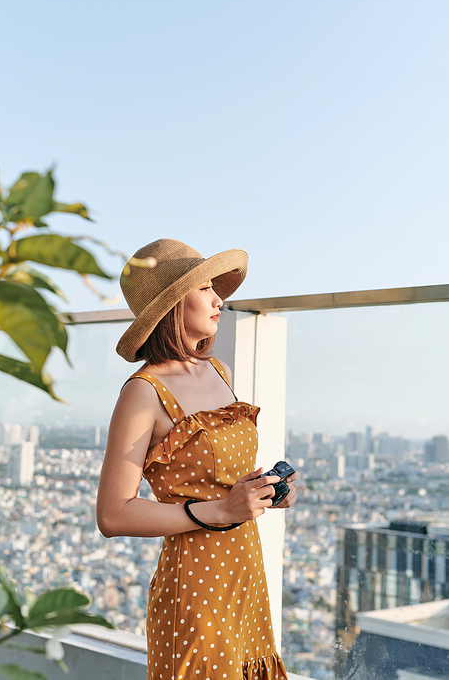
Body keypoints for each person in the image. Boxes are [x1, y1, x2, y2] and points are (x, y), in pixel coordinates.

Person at [97, 238, 299, 680]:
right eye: (205, 288)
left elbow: (219, 479)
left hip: (245, 575)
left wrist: (262, 493)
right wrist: (224, 510)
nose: (219, 299)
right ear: (171, 304)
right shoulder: (143, 392)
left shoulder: (217, 370)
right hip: (195, 587)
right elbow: (112, 514)